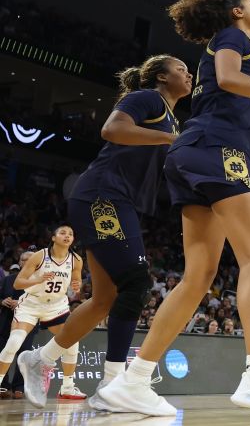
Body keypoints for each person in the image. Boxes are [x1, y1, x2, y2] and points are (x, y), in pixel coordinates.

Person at [97, 0, 250, 415]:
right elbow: (229, 79)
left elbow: (238, 123)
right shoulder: (234, 37)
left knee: (198, 276)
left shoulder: (227, 52)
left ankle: (134, 380)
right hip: (218, 152)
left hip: (193, 152)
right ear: (237, 11)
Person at [18, 55, 192, 410]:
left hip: (117, 201)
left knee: (104, 299)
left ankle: (39, 360)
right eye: (181, 69)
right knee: (137, 283)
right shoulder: (148, 98)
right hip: (103, 195)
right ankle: (113, 384)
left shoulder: (172, 118)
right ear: (161, 77)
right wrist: (170, 137)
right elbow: (112, 129)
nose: (189, 74)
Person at [1, 227, 84, 401]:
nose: (67, 236)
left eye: (70, 234)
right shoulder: (39, 256)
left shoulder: (76, 259)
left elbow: (76, 281)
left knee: (72, 342)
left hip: (56, 306)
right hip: (31, 304)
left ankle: (67, 387)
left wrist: (77, 285)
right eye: (63, 233)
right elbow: (17, 283)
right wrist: (39, 279)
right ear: (53, 238)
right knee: (14, 342)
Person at [0, 251, 34, 398]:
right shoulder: (8, 279)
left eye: (29, 260)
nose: (25, 262)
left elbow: (43, 301)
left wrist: (20, 303)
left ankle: (19, 387)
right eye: (23, 260)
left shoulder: (39, 281)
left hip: (28, 322)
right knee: (3, 351)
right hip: (6, 322)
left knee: (23, 355)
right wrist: (2, 301)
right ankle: (3, 385)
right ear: (19, 262)